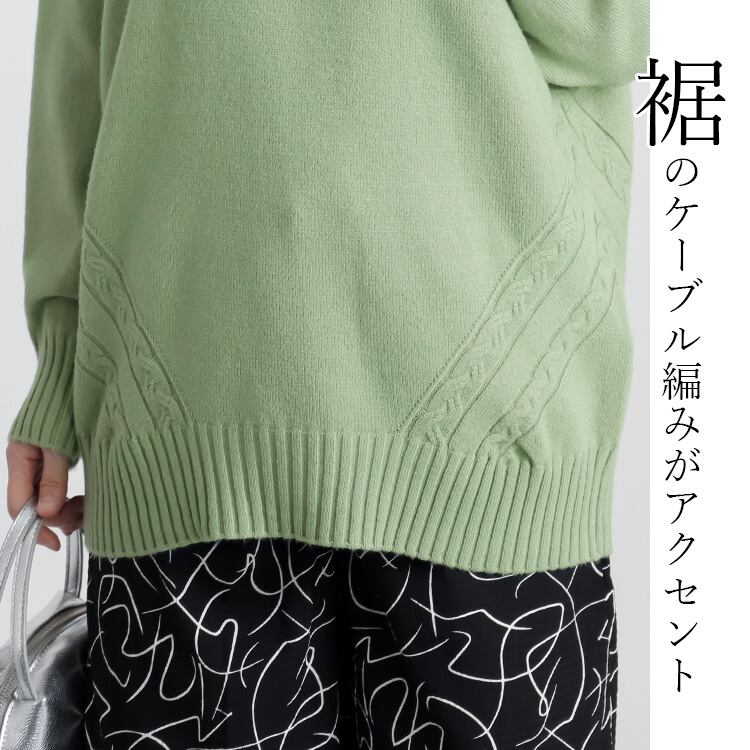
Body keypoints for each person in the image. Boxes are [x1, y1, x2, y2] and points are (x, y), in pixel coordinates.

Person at [6, 1, 647, 747]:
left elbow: (605, 30)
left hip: (466, 436)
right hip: (203, 425)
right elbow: (77, 40)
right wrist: (60, 364)